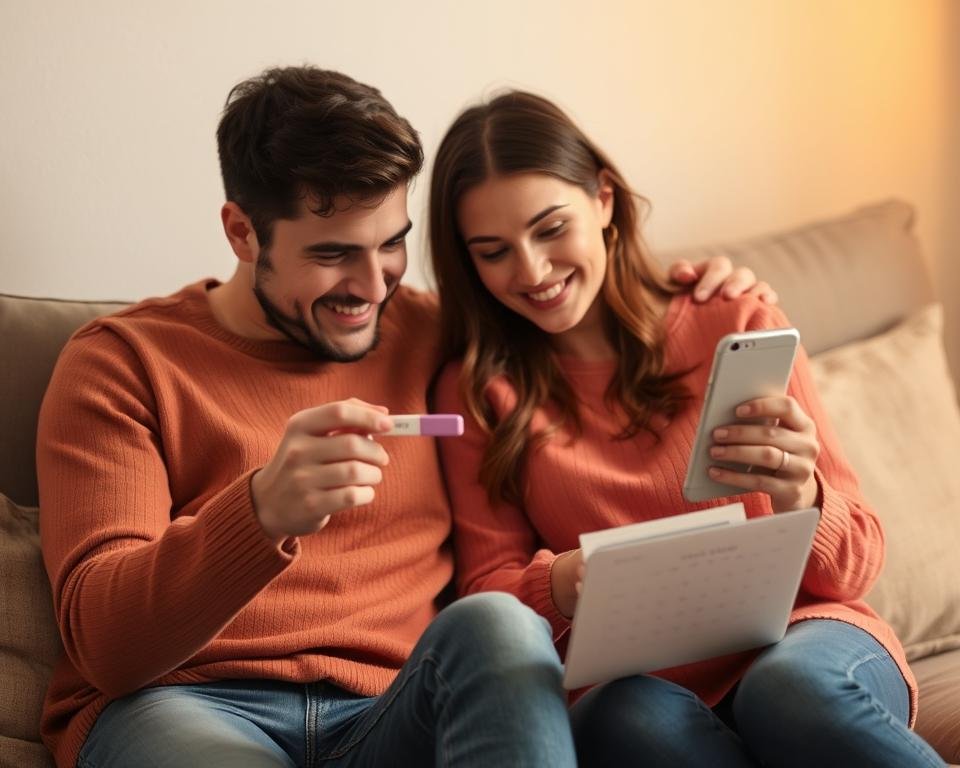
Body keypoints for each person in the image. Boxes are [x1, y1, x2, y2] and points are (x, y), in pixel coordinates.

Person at [35, 66, 761, 768]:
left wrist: (699, 292)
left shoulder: (438, 335)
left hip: (395, 708)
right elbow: (107, 647)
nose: (371, 284)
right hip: (186, 706)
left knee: (500, 624)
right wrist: (259, 515)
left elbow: (576, 311)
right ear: (242, 232)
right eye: (332, 254)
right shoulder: (123, 363)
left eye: (390, 245)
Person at [429, 90, 946, 768]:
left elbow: (858, 563)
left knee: (787, 689)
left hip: (807, 642)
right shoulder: (477, 393)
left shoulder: (732, 318)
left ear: (604, 200)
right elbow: (485, 598)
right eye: (493, 251)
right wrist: (563, 581)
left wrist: (803, 501)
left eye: (551, 228)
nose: (531, 270)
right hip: (641, 685)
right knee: (619, 720)